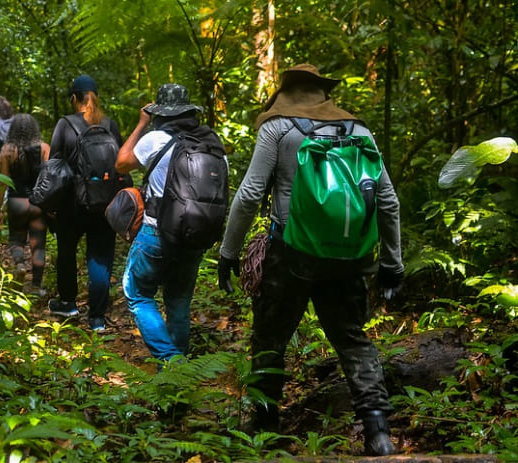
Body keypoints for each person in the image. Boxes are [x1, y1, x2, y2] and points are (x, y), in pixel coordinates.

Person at [217, 64, 404, 456]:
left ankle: (265, 429)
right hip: (349, 256)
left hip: (292, 252)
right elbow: (387, 200)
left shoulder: (278, 129)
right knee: (352, 340)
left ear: (285, 92)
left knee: (270, 339)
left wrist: (228, 253)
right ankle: (378, 430)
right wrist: (392, 262)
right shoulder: (360, 131)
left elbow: (250, 193)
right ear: (323, 93)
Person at [115, 83, 225, 361]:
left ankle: (171, 361)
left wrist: (141, 124)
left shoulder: (155, 139)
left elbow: (121, 163)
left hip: (156, 232)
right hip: (195, 235)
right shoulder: (212, 143)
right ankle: (178, 377)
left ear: (160, 114)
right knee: (178, 301)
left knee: (137, 293)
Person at [46, 74, 123, 331]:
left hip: (72, 204)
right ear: (96, 97)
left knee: (67, 252)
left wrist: (50, 205)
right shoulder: (110, 126)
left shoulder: (65, 125)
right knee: (100, 257)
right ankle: (97, 318)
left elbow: (55, 165)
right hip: (104, 203)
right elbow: (121, 164)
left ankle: (68, 303)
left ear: (73, 98)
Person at [0, 114, 50, 295]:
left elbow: (2, 182)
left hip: (16, 202)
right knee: (38, 245)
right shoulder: (44, 148)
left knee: (16, 240)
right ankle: (36, 286)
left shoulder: (7, 151)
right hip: (37, 203)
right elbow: (49, 179)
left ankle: (19, 264)